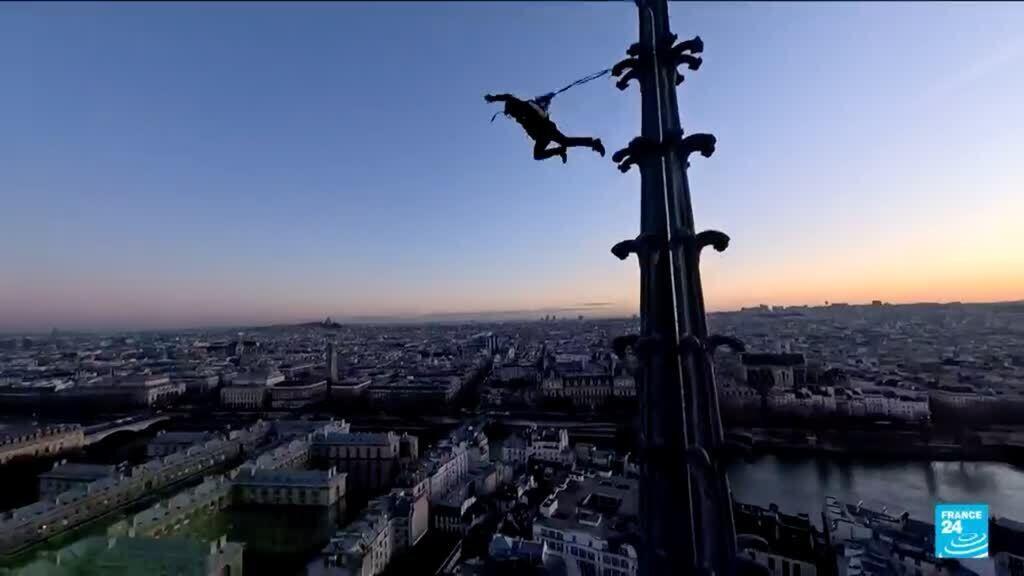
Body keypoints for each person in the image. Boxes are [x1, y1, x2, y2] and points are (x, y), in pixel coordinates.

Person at [485, 93, 605, 163]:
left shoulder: (521, 106)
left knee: (566, 142)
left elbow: (508, 97)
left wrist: (493, 98)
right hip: (541, 136)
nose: (511, 115)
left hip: (547, 130)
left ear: (512, 108)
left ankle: (593, 143)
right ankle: (561, 151)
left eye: (509, 113)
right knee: (539, 154)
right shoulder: (519, 114)